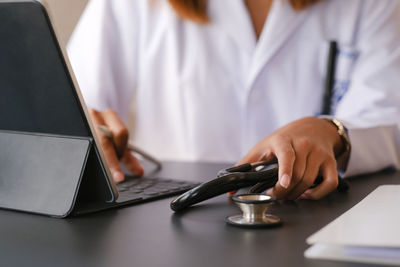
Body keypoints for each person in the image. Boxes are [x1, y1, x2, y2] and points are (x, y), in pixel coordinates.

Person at [67, 0, 400, 200]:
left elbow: (390, 119)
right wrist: (88, 130)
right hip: (171, 218)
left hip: (311, 213)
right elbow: (77, 107)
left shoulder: (371, 5)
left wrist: (332, 131)